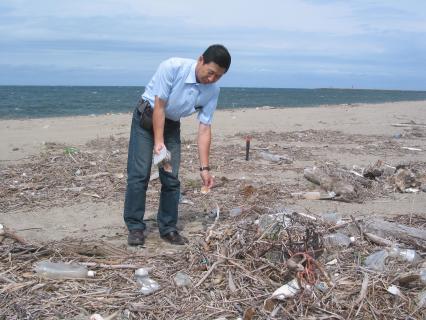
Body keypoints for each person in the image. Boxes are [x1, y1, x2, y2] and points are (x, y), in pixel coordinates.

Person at [124, 44, 231, 246]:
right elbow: (160, 106)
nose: (211, 79)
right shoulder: (172, 67)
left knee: (171, 179)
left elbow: (205, 128)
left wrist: (205, 169)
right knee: (139, 175)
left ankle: (168, 228)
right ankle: (135, 227)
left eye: (218, 76)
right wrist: (158, 143)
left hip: (171, 126)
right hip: (146, 118)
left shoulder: (213, 91)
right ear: (201, 60)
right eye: (210, 73)